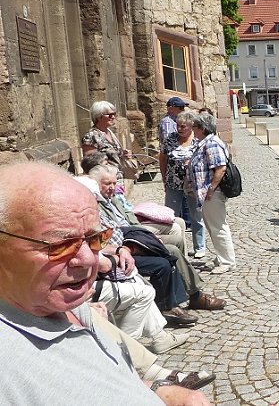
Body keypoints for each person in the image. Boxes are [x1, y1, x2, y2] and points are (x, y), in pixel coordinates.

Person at [0, 162, 209, 405]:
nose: (88, 259)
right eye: (59, 245)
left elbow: (103, 379)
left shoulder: (56, 301)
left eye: (95, 238)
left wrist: (159, 391)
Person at [88, 165, 225, 314]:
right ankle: (193, 295)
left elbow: (127, 219)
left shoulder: (111, 198)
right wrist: (135, 243)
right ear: (95, 185)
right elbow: (101, 242)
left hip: (133, 236)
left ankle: (185, 288)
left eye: (114, 183)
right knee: (170, 251)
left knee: (175, 238)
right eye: (107, 184)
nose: (112, 187)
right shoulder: (94, 207)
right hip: (124, 246)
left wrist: (145, 236)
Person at [188, 113, 237, 274]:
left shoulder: (212, 144)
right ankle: (221, 256)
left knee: (218, 226)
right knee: (212, 226)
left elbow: (220, 168)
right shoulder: (205, 142)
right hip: (206, 193)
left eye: (194, 127)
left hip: (212, 193)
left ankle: (227, 261)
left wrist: (211, 189)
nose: (192, 130)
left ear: (202, 128)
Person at [160, 110, 206, 257]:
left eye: (183, 126)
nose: (180, 129)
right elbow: (163, 158)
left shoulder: (198, 140)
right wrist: (164, 178)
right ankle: (177, 247)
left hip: (193, 184)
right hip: (173, 182)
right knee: (171, 216)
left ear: (191, 126)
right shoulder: (170, 139)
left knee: (196, 216)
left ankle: (200, 248)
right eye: (178, 126)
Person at [81, 100, 133, 185]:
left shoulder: (110, 133)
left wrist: (124, 154)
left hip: (117, 180)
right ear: (98, 117)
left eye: (114, 114)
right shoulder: (91, 136)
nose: (113, 117)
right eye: (109, 115)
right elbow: (90, 163)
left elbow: (114, 155)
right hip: (104, 183)